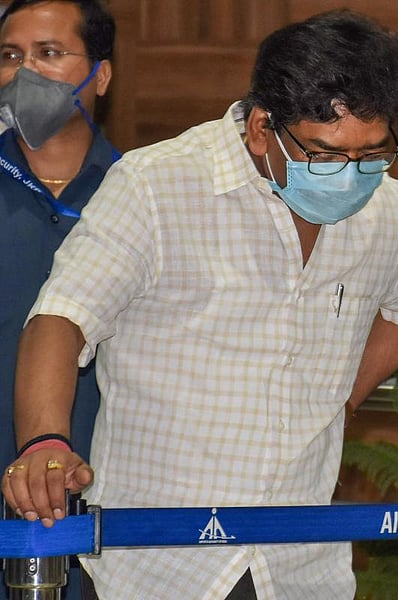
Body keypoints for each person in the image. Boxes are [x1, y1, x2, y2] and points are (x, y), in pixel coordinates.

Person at [1, 9, 398, 599]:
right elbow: (61, 318)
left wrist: (339, 396)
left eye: (372, 154)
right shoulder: (157, 185)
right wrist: (45, 442)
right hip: (161, 564)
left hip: (300, 568)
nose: (350, 176)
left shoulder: (389, 210)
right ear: (263, 127)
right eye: (324, 154)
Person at [0, 1, 115, 598]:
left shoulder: (144, 194)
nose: (25, 73)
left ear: (101, 74)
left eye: (48, 54)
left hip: (102, 507)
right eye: (10, 56)